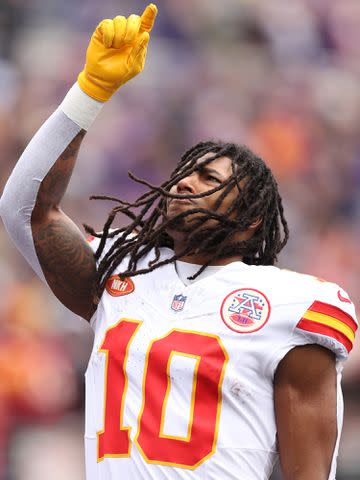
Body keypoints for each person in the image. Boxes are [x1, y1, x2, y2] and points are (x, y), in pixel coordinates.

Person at [0, 4, 358, 480]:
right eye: (184, 173)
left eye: (209, 177)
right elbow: (26, 209)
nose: (184, 184)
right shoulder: (119, 273)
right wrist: (90, 92)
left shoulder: (292, 305)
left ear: (251, 220)